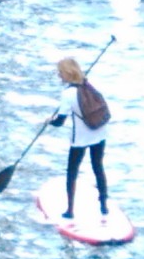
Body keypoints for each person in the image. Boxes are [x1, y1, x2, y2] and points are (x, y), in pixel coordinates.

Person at [47, 58, 109, 218]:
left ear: (67, 73)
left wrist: (49, 121)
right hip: (99, 132)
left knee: (72, 172)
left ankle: (70, 210)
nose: (59, 76)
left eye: (60, 72)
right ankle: (103, 206)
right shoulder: (88, 85)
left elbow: (60, 121)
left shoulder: (67, 94)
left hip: (80, 138)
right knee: (98, 167)